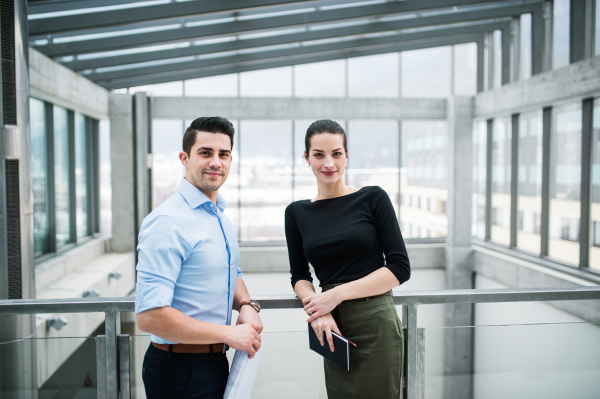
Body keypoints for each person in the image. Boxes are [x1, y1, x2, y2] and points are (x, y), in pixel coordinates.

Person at [135, 117, 263, 399]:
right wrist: (229, 334)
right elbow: (150, 317)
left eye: (223, 154)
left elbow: (232, 273)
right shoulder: (168, 223)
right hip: (178, 368)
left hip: (213, 360)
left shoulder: (217, 215)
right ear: (185, 158)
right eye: (205, 153)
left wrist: (246, 304)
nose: (215, 162)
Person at [284, 119, 411, 399]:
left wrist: (335, 296)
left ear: (346, 154)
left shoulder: (372, 198)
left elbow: (400, 268)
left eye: (336, 153)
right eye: (318, 154)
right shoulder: (296, 213)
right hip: (331, 327)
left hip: (375, 321)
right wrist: (319, 309)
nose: (328, 163)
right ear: (306, 158)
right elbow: (300, 277)